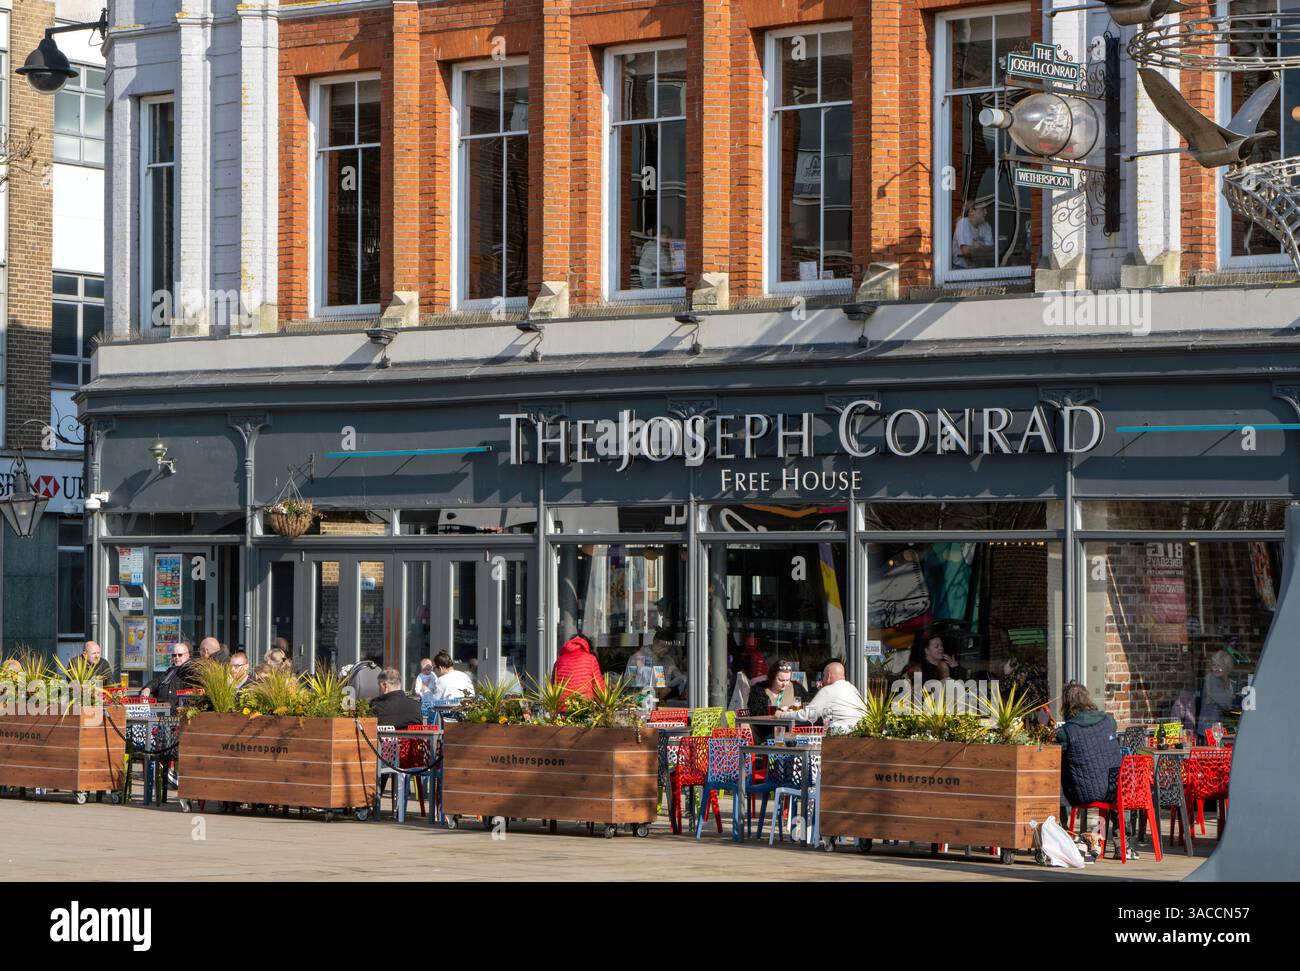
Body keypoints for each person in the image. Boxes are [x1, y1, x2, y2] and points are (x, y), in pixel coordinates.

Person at [1054, 682, 1129, 858]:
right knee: (1116, 785)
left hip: (1083, 794)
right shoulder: (1109, 721)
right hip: (1113, 790)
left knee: (1056, 778)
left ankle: (1064, 835)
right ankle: (1121, 845)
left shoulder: (1066, 731)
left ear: (1067, 704)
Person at [781, 661, 867, 733]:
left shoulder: (828, 690)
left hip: (840, 737)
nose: (822, 679)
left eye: (824, 676)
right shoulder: (852, 688)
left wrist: (782, 715)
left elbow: (807, 715)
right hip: (859, 734)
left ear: (829, 676)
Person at [1197, 649, 1239, 741]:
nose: (1215, 668)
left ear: (1227, 667)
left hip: (1222, 729)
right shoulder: (1211, 679)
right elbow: (1226, 703)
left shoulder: (1230, 682)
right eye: (1213, 665)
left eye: (1219, 665)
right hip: (1209, 731)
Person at [141, 642, 199, 707]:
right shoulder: (172, 670)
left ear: (187, 655)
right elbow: (157, 681)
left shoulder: (191, 670)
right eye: (174, 655)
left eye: (180, 655)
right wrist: (148, 688)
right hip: (162, 708)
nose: (176, 657)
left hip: (177, 711)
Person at [553, 634, 604, 701]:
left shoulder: (559, 661)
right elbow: (599, 688)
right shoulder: (591, 659)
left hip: (561, 707)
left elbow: (553, 687)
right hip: (583, 706)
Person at [952, 196, 994, 269]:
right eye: (983, 209)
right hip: (962, 269)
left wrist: (978, 246)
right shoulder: (963, 223)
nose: (986, 212)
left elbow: (991, 249)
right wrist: (983, 247)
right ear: (972, 211)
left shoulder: (986, 225)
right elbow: (966, 252)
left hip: (980, 268)